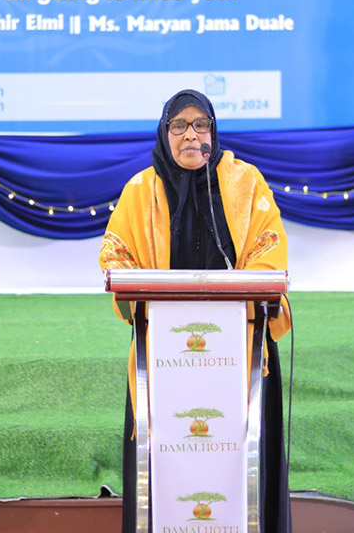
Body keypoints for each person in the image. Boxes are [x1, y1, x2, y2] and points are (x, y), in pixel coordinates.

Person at [99, 88, 293, 533]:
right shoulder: (140, 190)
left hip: (240, 349)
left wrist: (248, 285)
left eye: (200, 125)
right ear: (164, 133)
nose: (191, 135)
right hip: (163, 356)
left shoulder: (246, 183)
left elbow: (269, 247)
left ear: (214, 131)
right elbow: (116, 254)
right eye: (179, 125)